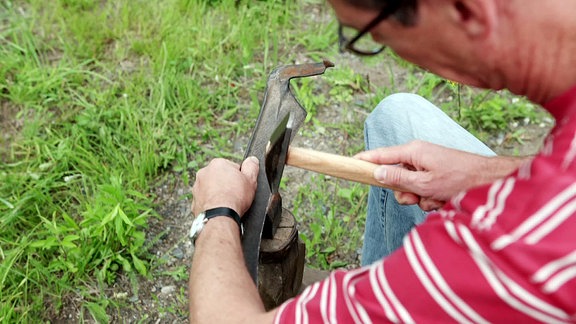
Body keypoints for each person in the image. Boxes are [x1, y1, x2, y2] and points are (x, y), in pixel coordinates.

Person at [188, 0, 576, 322]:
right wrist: (492, 173)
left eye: (374, 37)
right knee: (399, 118)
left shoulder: (512, 248)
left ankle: (377, 302)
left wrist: (215, 213)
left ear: (467, 11)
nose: (404, 56)